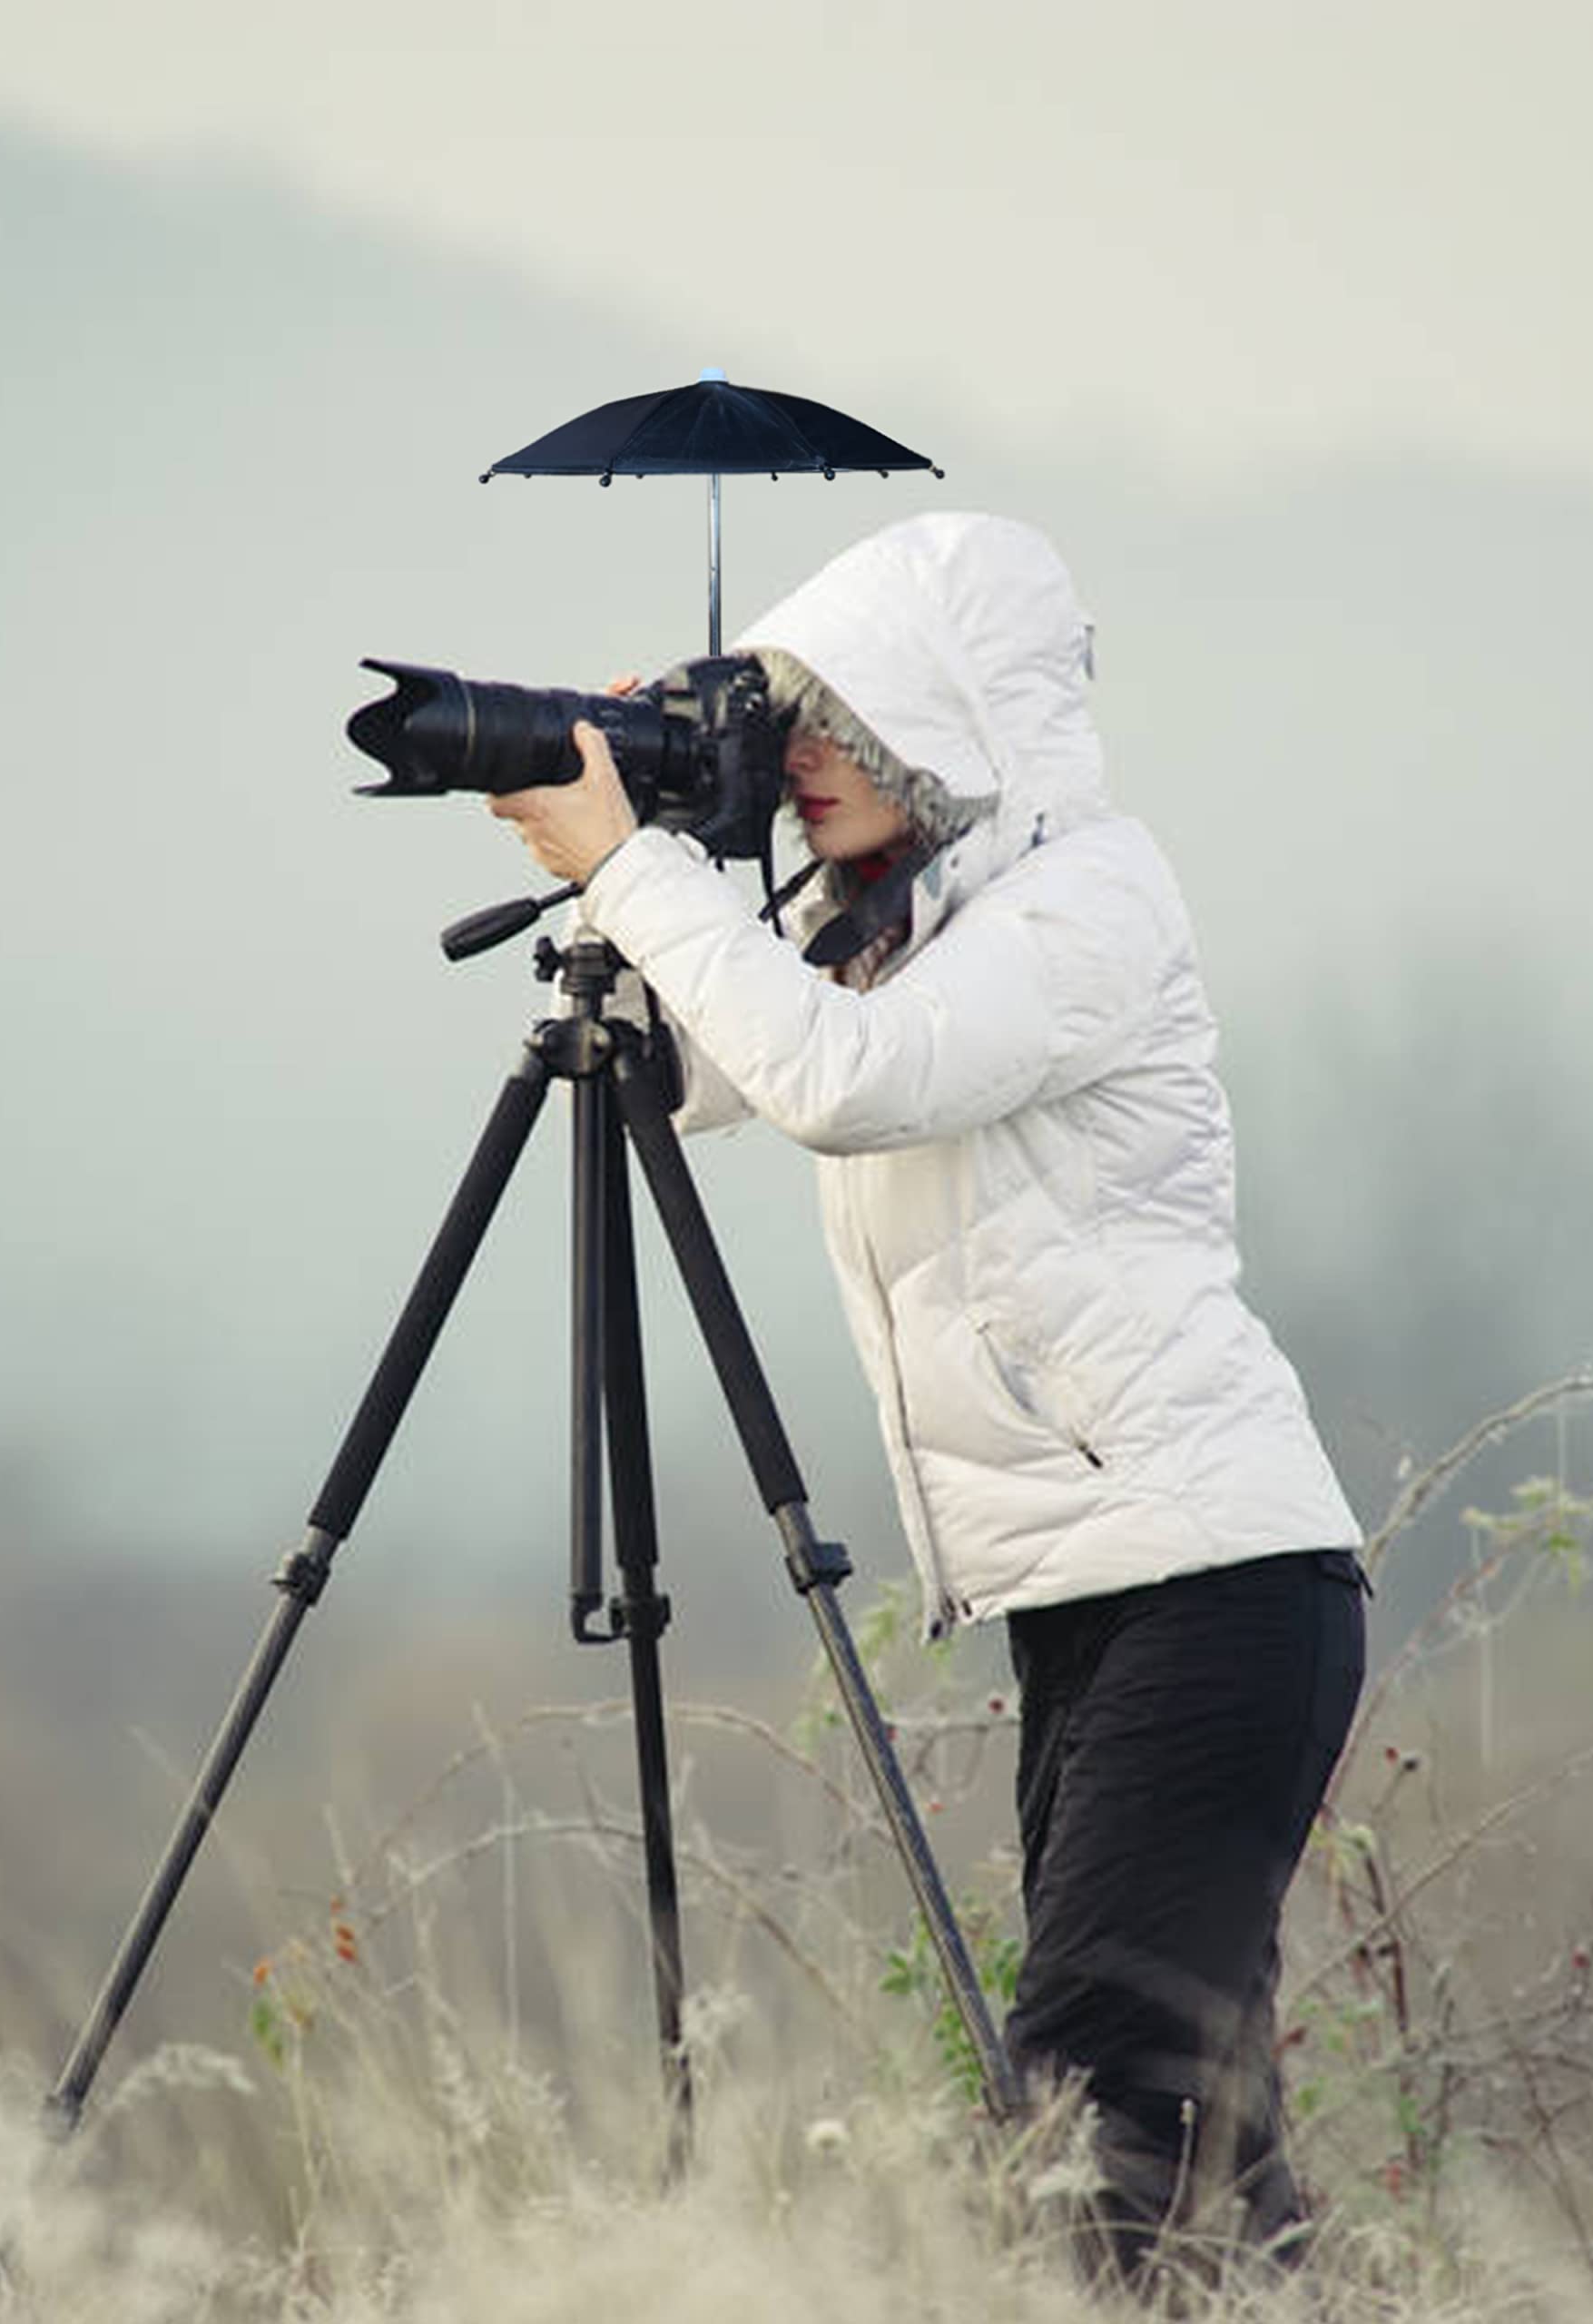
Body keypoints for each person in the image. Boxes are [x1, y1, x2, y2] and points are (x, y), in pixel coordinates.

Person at [490, 511, 1366, 2283]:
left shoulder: (1085, 905)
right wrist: (642, 841)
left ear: (948, 721)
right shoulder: (898, 924)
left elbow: (837, 1082)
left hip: (1215, 1591)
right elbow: (694, 1070)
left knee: (1091, 2098)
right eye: (787, 724)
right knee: (1193, 2124)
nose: (805, 758)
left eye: (839, 720)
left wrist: (632, 868)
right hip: (1100, 1597)